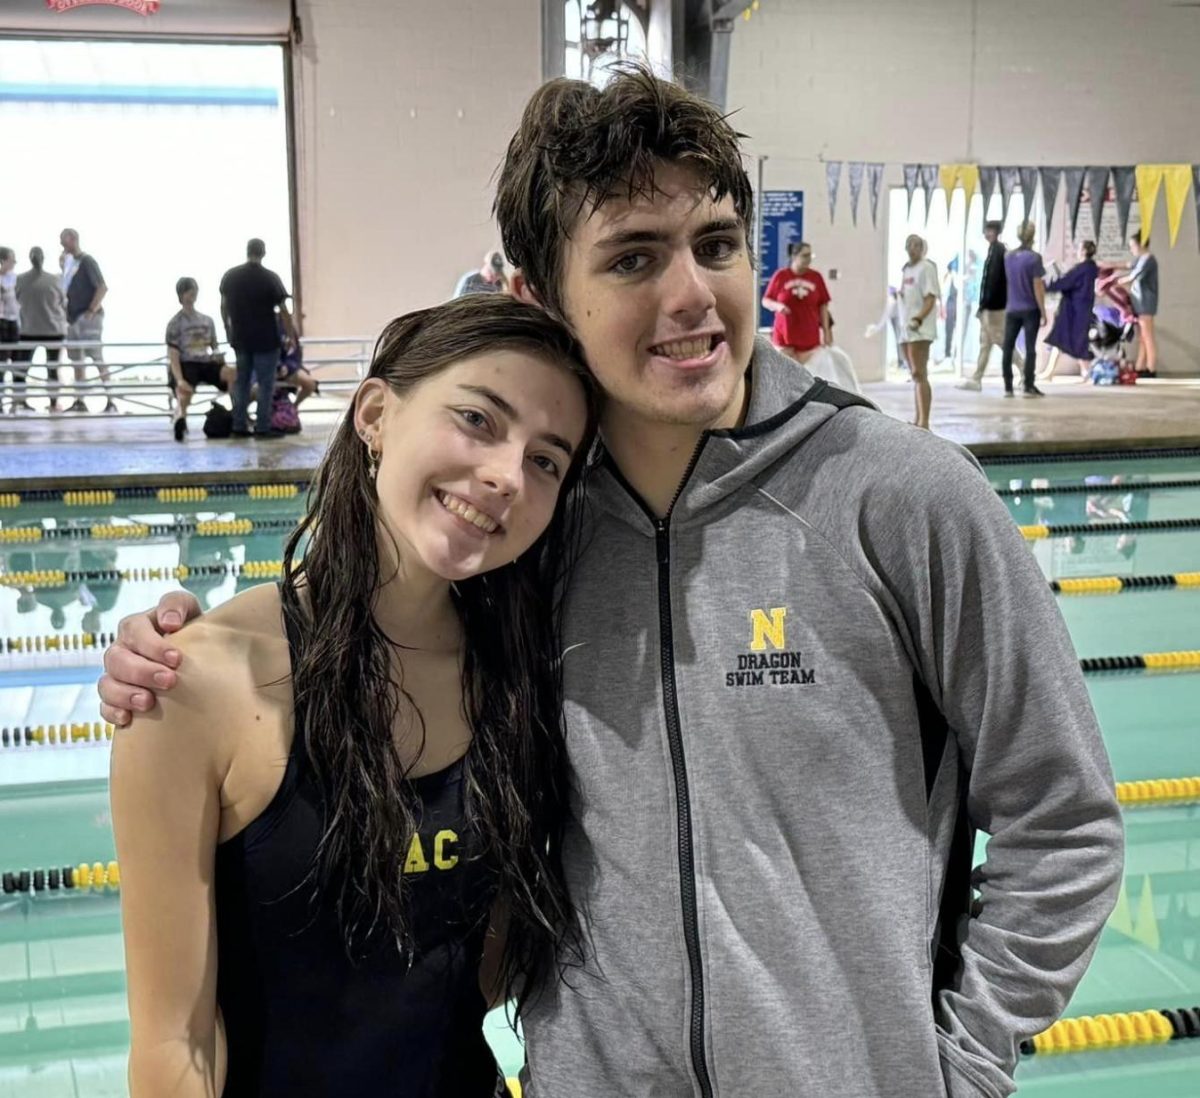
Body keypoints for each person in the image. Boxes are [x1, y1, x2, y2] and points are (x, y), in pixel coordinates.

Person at [100, 67, 1123, 1098]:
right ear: (543, 298)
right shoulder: (531, 529)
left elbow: (1064, 818)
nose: (694, 296)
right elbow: (374, 601)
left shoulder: (902, 500)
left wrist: (962, 1058)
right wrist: (171, 642)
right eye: (634, 258)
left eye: (717, 245)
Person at [110, 293, 597, 1097]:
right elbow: (175, 1045)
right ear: (375, 413)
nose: (507, 475)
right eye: (478, 419)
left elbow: (491, 975)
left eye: (546, 459)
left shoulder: (519, 685)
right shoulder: (195, 684)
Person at [219, 238, 297, 438]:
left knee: (242, 383)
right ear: (263, 253)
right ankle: (263, 427)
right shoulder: (270, 278)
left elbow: (224, 306)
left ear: (247, 251)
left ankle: (239, 425)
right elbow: (284, 310)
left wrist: (228, 330)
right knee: (265, 384)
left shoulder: (231, 276)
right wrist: (290, 335)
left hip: (241, 339)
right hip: (266, 340)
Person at [165, 277, 236, 441]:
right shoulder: (175, 323)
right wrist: (179, 379)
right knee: (184, 390)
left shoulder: (207, 320)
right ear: (182, 295)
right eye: (190, 292)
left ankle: (237, 414)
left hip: (206, 361)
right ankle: (180, 418)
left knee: (233, 373)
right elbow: (173, 353)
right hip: (187, 363)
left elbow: (214, 345)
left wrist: (218, 356)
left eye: (194, 291)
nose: (193, 295)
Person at [958, 220, 1019, 391]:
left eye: (989, 230)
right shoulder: (993, 251)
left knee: (1000, 340)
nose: (986, 233)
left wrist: (986, 305)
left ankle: (1024, 369)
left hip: (994, 308)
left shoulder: (999, 251)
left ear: (996, 232)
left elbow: (994, 282)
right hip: (989, 306)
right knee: (985, 343)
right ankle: (977, 378)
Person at [60, 228, 113, 412]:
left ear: (73, 239)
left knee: (97, 358)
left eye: (63, 241)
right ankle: (80, 401)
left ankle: (111, 400)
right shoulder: (70, 265)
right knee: (77, 361)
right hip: (73, 318)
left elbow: (102, 286)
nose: (61, 245)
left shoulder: (87, 261)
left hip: (87, 316)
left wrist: (91, 310)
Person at [760, 240, 832, 363]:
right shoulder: (781, 276)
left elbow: (823, 306)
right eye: (805, 255)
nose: (808, 259)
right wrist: (777, 306)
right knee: (785, 376)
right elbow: (766, 300)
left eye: (810, 255)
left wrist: (826, 332)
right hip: (785, 337)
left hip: (809, 339)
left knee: (806, 377)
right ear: (794, 256)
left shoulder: (816, 277)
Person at [897, 234, 939, 428]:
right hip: (907, 328)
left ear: (923, 248)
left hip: (920, 328)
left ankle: (924, 421)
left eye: (916, 245)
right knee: (915, 374)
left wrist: (918, 318)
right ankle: (918, 418)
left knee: (920, 373)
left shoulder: (926, 268)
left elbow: (930, 298)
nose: (912, 248)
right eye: (909, 245)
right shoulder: (907, 269)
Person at [1041, 241, 1098, 380]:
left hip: (1073, 311)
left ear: (1084, 251)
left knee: (1066, 339)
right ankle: (1084, 373)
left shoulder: (1082, 269)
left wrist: (1046, 287)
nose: (1077, 251)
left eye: (1079, 248)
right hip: (1083, 309)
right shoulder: (1091, 268)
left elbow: (1067, 282)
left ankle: (1052, 373)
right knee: (1076, 341)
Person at [1001, 221, 1046, 397]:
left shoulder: (1008, 257)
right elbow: (1038, 286)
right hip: (1030, 309)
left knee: (1008, 347)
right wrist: (1042, 311)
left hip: (1012, 308)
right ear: (1033, 236)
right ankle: (1028, 385)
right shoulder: (1034, 258)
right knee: (1030, 348)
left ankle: (1008, 387)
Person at [1122, 235, 1159, 377]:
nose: (1131, 249)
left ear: (1141, 245)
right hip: (1140, 302)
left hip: (1146, 303)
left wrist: (1113, 282)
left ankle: (1151, 367)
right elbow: (1127, 265)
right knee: (1142, 337)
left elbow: (1133, 276)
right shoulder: (1141, 259)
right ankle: (1140, 365)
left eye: (1133, 246)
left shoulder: (1149, 259)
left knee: (1147, 336)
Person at [0, 247, 19, 413]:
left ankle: (17, 401)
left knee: (16, 361)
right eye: (12, 259)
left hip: (13, 321)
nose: (14, 262)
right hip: (1, 322)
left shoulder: (15, 278)